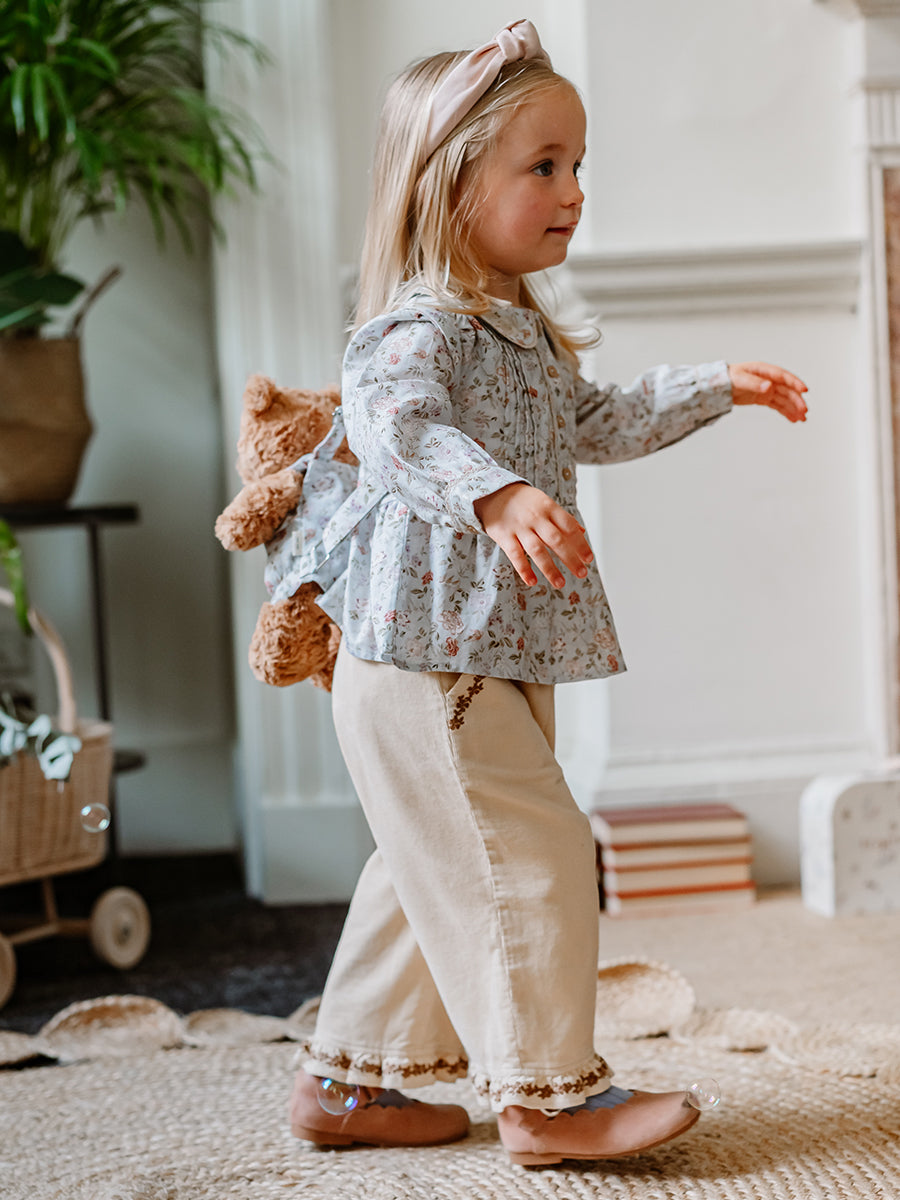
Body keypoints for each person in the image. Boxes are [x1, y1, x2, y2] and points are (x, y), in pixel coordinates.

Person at [288, 20, 808, 1167]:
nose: (574, 191)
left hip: (481, 651)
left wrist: (716, 385)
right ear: (448, 184)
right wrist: (496, 495)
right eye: (543, 166)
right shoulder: (415, 331)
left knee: (433, 863)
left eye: (578, 166)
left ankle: (350, 1080)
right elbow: (394, 429)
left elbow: (599, 420)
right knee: (534, 854)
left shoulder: (516, 332)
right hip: (432, 655)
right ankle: (549, 1097)